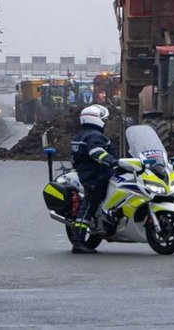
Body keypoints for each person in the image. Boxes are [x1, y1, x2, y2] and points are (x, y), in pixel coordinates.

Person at [69, 104, 118, 254]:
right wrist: (112, 161)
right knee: (90, 202)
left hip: (88, 172)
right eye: (104, 119)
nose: (106, 122)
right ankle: (78, 241)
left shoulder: (81, 135)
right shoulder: (94, 136)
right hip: (94, 176)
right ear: (97, 119)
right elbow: (96, 152)